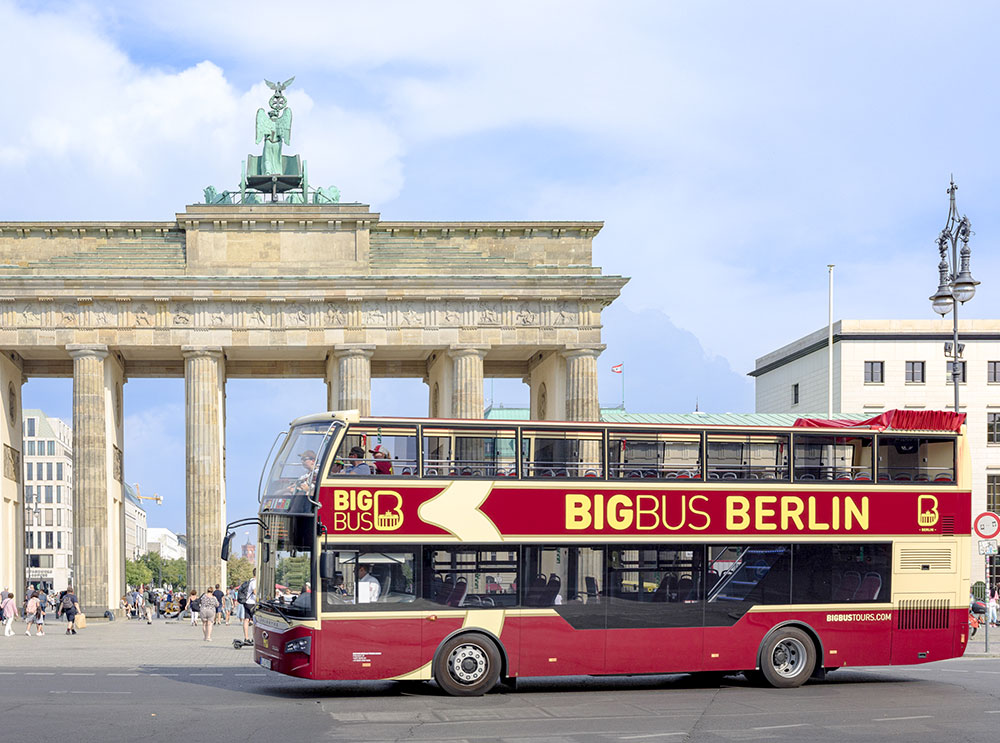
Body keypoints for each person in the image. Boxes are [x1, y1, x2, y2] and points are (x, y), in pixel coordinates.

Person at [241, 569, 257, 647]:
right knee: (255, 620)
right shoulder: (254, 582)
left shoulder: (249, 581)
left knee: (246, 620)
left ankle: (246, 637)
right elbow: (255, 591)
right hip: (253, 603)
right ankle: (255, 638)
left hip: (246, 602)